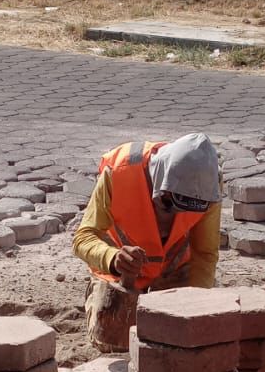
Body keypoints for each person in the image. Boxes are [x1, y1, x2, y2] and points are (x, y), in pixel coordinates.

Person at [72, 133, 222, 352]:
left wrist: (196, 301)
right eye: (166, 205)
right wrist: (113, 258)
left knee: (181, 336)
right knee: (114, 339)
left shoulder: (208, 188)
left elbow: (205, 254)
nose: (171, 216)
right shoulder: (120, 172)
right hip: (122, 273)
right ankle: (97, 295)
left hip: (175, 267)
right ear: (158, 179)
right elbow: (82, 238)